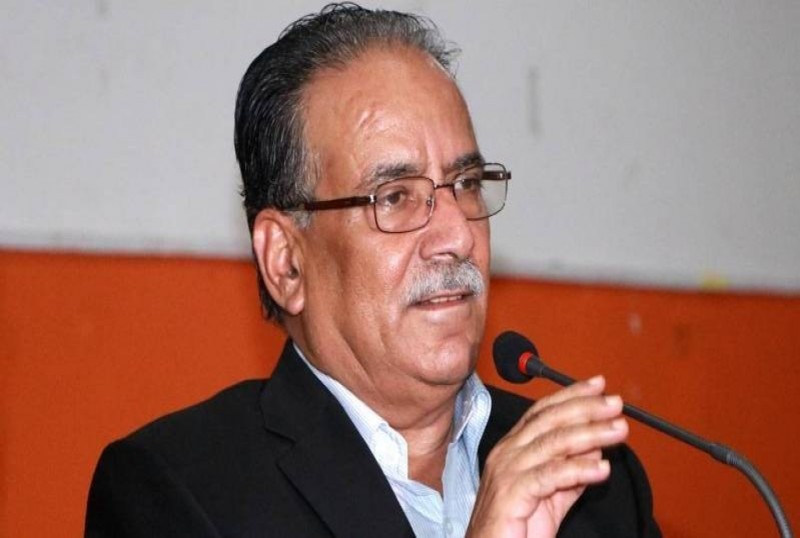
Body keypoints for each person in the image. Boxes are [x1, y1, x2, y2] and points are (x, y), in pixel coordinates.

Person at [86, 4, 661, 537]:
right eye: (394, 197)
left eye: (465, 184)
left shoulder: (592, 482)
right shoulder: (179, 492)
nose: (458, 235)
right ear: (286, 262)